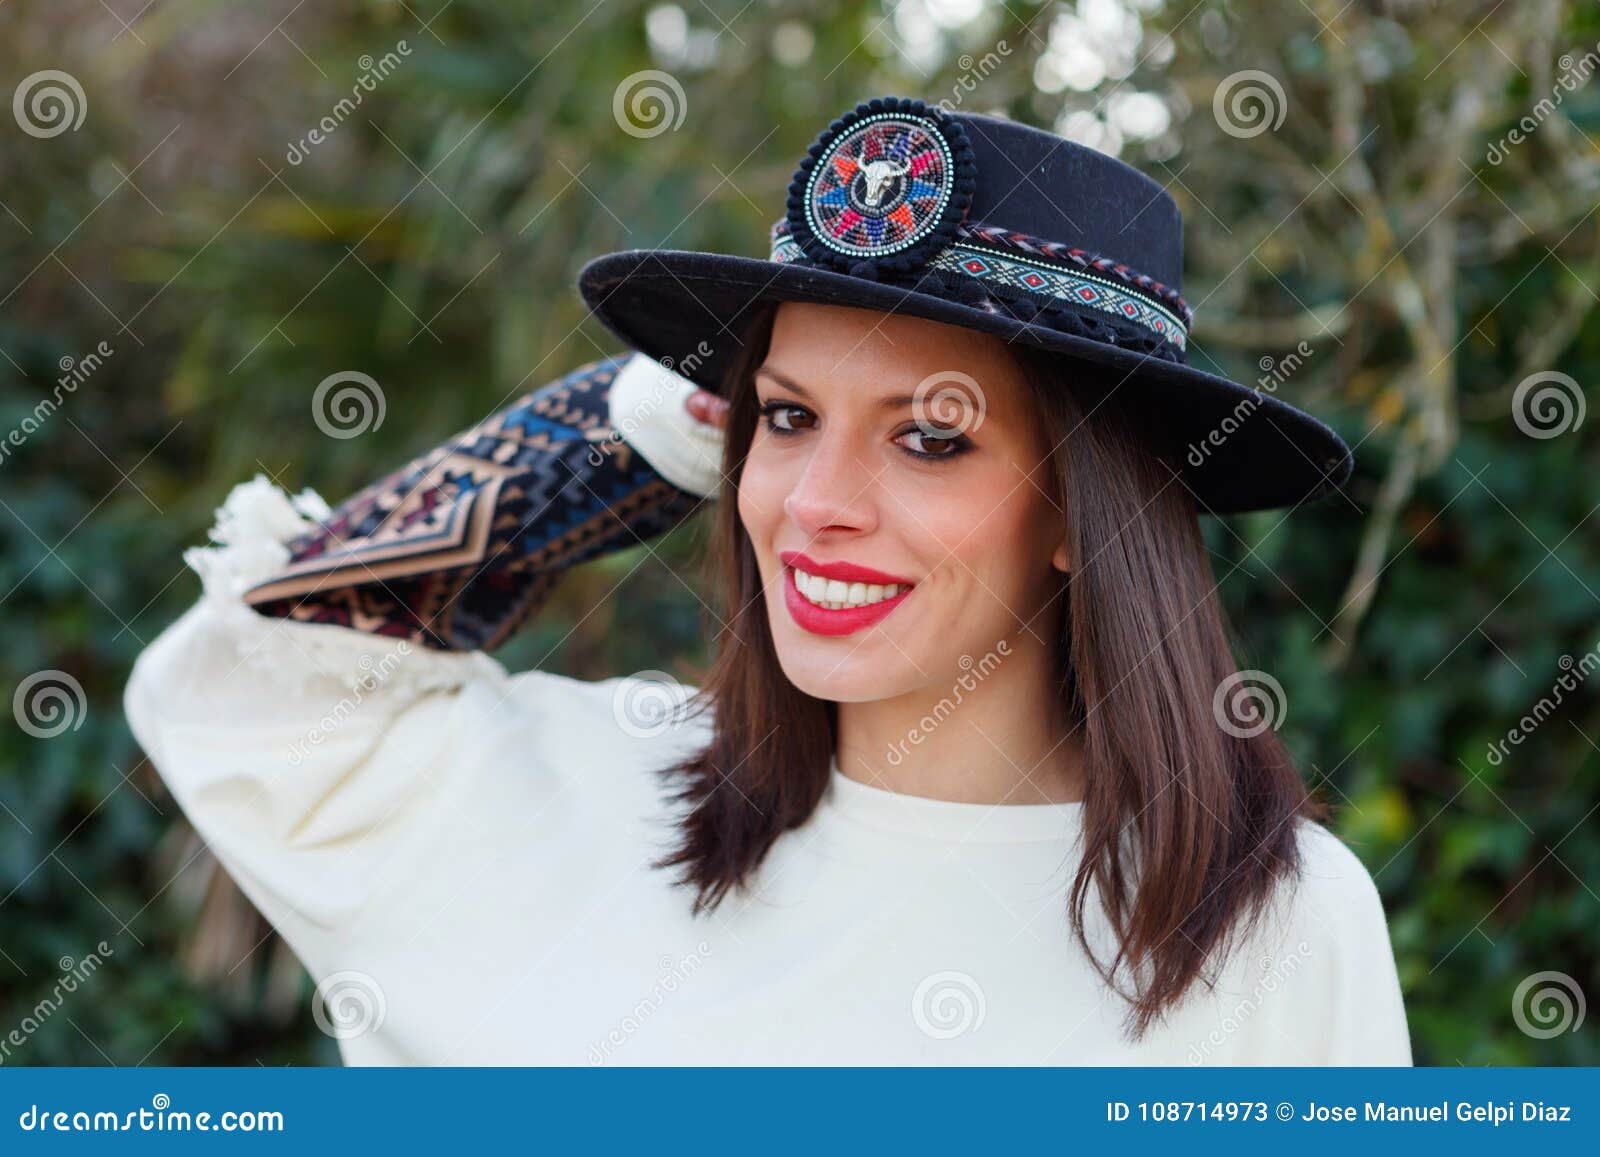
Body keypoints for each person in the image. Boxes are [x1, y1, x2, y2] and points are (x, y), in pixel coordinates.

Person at [124, 96, 1411, 1065]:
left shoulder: (1269, 930)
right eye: (786, 420)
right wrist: (644, 424)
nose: (813, 506)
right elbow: (240, 678)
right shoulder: (566, 797)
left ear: (1084, 509)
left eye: (929, 436)